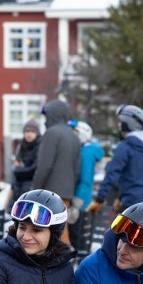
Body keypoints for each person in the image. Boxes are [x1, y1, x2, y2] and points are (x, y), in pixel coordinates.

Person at [87, 104, 143, 212]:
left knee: (117, 229)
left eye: (121, 122)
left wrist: (99, 199)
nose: (119, 125)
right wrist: (120, 197)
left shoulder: (125, 147)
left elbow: (112, 174)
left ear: (128, 123)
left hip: (132, 203)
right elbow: (137, 177)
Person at [32, 100, 81, 243]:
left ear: (53, 115)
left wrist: (36, 191)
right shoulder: (74, 136)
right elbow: (77, 169)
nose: (46, 120)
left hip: (48, 193)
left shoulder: (51, 134)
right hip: (66, 192)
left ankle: (61, 258)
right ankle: (65, 258)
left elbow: (44, 166)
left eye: (47, 116)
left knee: (48, 230)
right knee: (61, 227)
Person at [69, 119, 104, 248]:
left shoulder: (86, 153)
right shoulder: (84, 150)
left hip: (80, 199)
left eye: (75, 133)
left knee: (77, 233)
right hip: (81, 197)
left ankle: (80, 260)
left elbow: (85, 179)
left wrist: (77, 201)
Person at [11, 120, 41, 200]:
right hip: (19, 184)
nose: (29, 134)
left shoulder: (40, 146)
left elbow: (35, 168)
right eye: (27, 131)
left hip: (31, 185)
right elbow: (16, 163)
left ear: (37, 133)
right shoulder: (21, 146)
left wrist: (18, 171)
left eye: (32, 131)